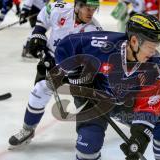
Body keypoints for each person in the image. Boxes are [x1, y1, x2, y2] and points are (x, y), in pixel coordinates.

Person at [54, 13, 160, 160]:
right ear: (134, 41)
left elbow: (149, 108)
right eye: (150, 46)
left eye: (156, 46)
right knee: (89, 141)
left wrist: (140, 138)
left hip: (126, 102)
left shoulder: (158, 68)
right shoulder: (103, 45)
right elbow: (66, 46)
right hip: (95, 97)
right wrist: (73, 72)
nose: (154, 52)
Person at [8, 0, 101, 149]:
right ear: (77, 6)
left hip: (75, 71)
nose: (91, 12)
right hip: (51, 60)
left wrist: (82, 70)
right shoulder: (60, 8)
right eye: (87, 8)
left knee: (86, 106)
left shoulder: (95, 30)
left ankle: (87, 138)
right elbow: (45, 13)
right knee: (39, 91)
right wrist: (38, 32)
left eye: (94, 8)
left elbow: (95, 59)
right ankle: (27, 130)